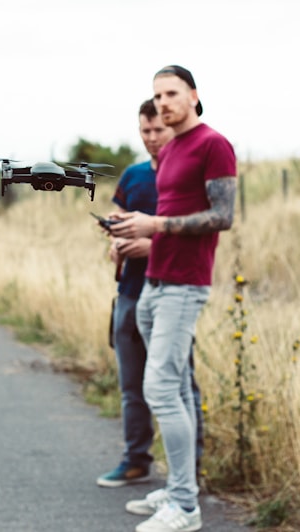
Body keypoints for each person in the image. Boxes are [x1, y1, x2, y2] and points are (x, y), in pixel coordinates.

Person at [110, 65, 237, 532]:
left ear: (193, 95)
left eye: (171, 93)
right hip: (153, 282)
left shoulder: (212, 144)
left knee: (160, 388)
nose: (163, 102)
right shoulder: (174, 147)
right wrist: (128, 230)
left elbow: (223, 216)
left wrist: (154, 226)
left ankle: (185, 507)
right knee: (176, 387)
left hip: (185, 283)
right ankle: (179, 488)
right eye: (157, 95)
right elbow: (166, 211)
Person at [96, 100, 204, 490]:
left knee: (179, 383)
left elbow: (200, 230)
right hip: (129, 290)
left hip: (172, 291)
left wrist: (151, 246)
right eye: (145, 131)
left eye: (158, 130)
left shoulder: (186, 176)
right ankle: (135, 460)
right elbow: (121, 220)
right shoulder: (134, 176)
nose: (152, 138)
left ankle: (189, 470)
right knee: (132, 385)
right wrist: (115, 242)